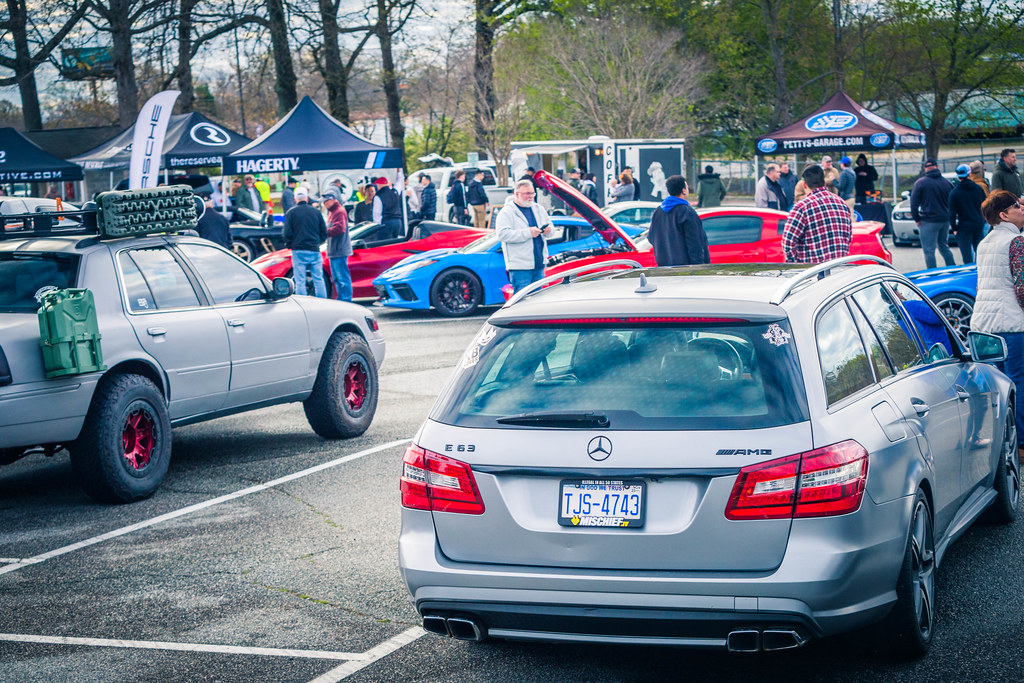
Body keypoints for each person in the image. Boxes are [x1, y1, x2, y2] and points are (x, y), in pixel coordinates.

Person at [970, 189, 1024, 451]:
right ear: (1004, 215)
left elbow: (981, 285)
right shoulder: (1016, 243)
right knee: (1018, 383)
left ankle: (1000, 440)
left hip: (983, 326)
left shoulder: (985, 243)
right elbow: (1022, 287)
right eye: (1017, 205)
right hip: (1012, 325)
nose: (1022, 208)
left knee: (995, 387)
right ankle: (1021, 443)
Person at [782, 164, 852, 263]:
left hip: (812, 271)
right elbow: (848, 237)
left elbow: (788, 243)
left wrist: (794, 264)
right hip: (839, 270)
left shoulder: (801, 207)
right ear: (824, 183)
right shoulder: (842, 203)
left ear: (805, 185)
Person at [495, 180, 553, 292]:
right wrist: (528, 233)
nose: (531, 196)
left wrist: (548, 230)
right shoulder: (507, 212)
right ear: (517, 194)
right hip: (520, 268)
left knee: (538, 301)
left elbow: (551, 227)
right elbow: (502, 234)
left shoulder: (538, 209)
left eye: (532, 193)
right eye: (527, 193)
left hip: (539, 264)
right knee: (522, 303)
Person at [647, 174, 710, 266]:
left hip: (663, 268)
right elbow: (695, 244)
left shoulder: (658, 211)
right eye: (687, 187)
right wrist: (698, 268)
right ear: (683, 190)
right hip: (684, 270)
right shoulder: (687, 212)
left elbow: (651, 237)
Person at [910, 158, 957, 269]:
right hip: (944, 220)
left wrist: (917, 219)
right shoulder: (947, 183)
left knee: (929, 250)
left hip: (928, 221)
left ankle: (932, 272)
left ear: (926, 168)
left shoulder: (920, 183)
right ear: (937, 166)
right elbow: (953, 203)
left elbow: (914, 204)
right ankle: (953, 268)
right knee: (944, 246)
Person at [283, 187, 328, 298]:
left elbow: (286, 233)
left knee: (300, 280)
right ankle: (323, 302)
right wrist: (318, 242)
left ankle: (303, 304)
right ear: (307, 198)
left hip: (298, 249)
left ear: (295, 198)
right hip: (314, 248)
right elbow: (323, 231)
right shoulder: (316, 212)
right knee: (318, 278)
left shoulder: (291, 212)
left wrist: (290, 244)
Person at [948, 163, 987, 264]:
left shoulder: (955, 192)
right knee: (980, 253)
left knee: (966, 255)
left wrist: (954, 228)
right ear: (969, 174)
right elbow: (985, 205)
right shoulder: (978, 189)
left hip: (963, 226)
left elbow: (952, 213)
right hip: (978, 224)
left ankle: (969, 272)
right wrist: (983, 219)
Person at [323, 189, 353, 302]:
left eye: (326, 201)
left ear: (333, 200)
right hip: (334, 251)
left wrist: (324, 232)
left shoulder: (339, 211)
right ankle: (342, 299)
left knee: (342, 279)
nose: (324, 204)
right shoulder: (333, 212)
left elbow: (340, 229)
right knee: (337, 279)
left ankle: (346, 300)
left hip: (339, 250)